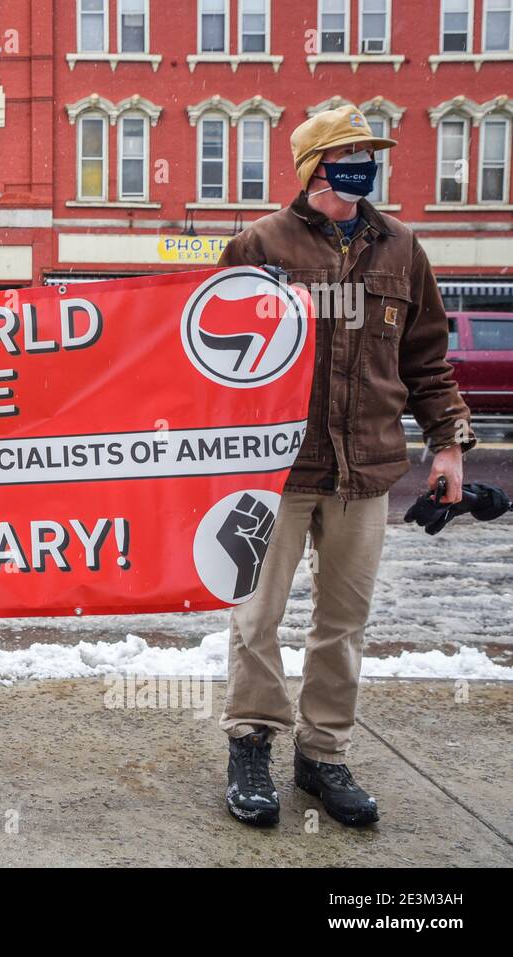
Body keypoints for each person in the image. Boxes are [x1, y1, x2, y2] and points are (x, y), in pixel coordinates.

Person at [216, 105, 473, 827]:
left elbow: (427, 361)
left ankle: (322, 753)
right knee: (257, 615)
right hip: (277, 473)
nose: (365, 160)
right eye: (350, 149)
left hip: (367, 471)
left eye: (370, 149)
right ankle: (251, 743)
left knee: (343, 622)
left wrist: (447, 443)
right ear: (314, 164)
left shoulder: (402, 248)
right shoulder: (258, 244)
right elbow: (211, 359)